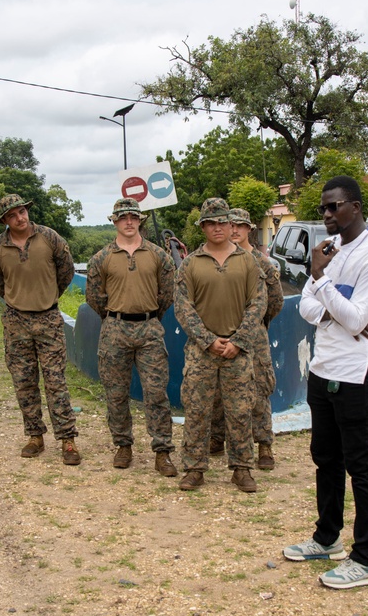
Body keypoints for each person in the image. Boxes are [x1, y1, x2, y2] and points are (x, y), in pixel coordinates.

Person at [282, 175, 368, 589]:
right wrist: (333, 305)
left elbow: (356, 319)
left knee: (362, 465)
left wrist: (322, 280)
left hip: (358, 374)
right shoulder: (332, 252)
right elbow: (308, 308)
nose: (327, 215)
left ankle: (366, 559)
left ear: (356, 206)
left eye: (335, 207)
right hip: (324, 366)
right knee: (325, 459)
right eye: (323, 209)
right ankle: (326, 538)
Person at [174, 197, 265, 493]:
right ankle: (194, 468)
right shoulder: (190, 264)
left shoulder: (248, 261)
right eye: (211, 223)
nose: (217, 227)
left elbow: (258, 302)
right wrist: (208, 340)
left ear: (231, 225)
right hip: (202, 351)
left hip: (238, 350)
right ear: (203, 227)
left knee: (240, 411)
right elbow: (182, 307)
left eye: (223, 222)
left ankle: (242, 468)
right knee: (197, 410)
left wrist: (238, 341)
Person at [0, 194, 81, 465]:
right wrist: (18, 298)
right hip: (16, 322)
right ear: (5, 220)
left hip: (48, 319)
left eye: (23, 211)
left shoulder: (49, 238)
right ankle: (35, 436)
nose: (20, 217)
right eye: (13, 215)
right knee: (24, 382)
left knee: (55, 381)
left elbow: (66, 270)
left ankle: (67, 439)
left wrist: (48, 295)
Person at [86, 198, 178, 476]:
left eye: (133, 217)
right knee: (116, 393)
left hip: (150, 328)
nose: (129, 221)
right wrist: (117, 316)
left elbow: (167, 293)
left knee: (156, 394)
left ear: (140, 221)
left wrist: (148, 316)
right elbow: (94, 297)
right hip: (114, 329)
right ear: (114, 221)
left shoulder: (158, 255)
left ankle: (162, 451)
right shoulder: (101, 258)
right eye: (123, 217)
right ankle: (123, 445)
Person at [208, 208, 283, 469]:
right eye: (232, 225)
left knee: (259, 388)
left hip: (254, 336)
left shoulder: (262, 263)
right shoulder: (217, 258)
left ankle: (263, 445)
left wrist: (258, 325)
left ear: (249, 229)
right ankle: (217, 438)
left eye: (241, 226)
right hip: (221, 331)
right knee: (218, 388)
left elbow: (275, 301)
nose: (236, 231)